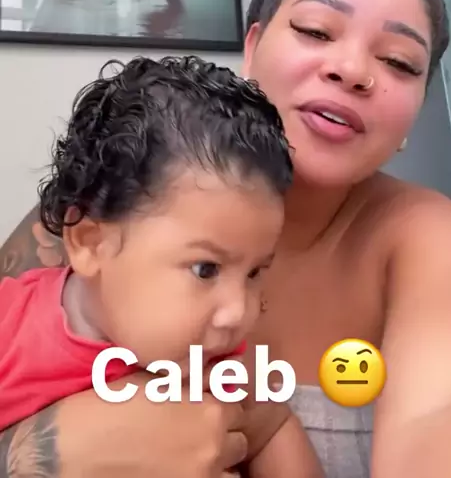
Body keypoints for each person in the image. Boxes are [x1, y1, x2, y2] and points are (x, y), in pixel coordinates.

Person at [2, 0, 451, 478]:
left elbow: (447, 418)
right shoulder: (114, 196)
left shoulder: (434, 244)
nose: (352, 69)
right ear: (252, 47)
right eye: (315, 30)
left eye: (398, 62)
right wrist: (37, 453)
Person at [0, 55, 322, 478]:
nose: (239, 312)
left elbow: (274, 427)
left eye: (254, 273)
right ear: (91, 243)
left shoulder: (217, 364)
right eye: (206, 269)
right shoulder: (10, 331)